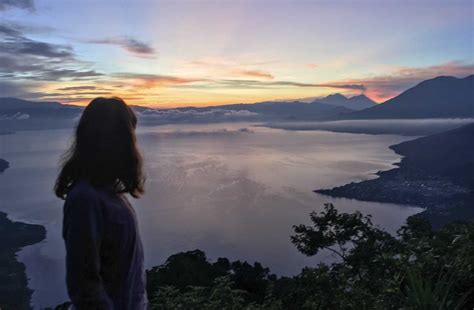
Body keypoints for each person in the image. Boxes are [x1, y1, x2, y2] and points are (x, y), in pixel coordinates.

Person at [55, 97, 147, 310]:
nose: (134, 145)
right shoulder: (86, 199)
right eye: (130, 136)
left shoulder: (107, 193)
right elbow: (84, 286)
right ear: (116, 142)